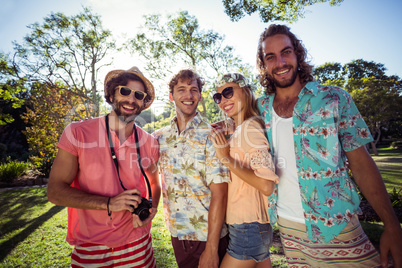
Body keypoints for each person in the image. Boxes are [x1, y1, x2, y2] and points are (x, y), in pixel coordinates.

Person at [256, 24, 402, 267]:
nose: (280, 62)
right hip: (288, 228)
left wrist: (391, 224)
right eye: (270, 57)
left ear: (298, 54)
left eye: (286, 52)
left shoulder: (334, 98)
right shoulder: (258, 109)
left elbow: (362, 164)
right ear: (264, 64)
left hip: (337, 226)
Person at [47, 66, 161, 267]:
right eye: (125, 91)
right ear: (111, 94)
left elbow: (155, 184)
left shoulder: (150, 142)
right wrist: (109, 203)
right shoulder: (77, 133)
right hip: (92, 246)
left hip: (139, 244)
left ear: (143, 103)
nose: (131, 99)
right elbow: (55, 192)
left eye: (139, 95)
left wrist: (151, 210)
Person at [152, 69, 230, 268]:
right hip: (177, 234)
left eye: (194, 90)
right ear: (171, 96)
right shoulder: (160, 137)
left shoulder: (211, 136)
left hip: (208, 236)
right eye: (181, 90)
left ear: (200, 95)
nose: (188, 95)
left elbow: (220, 194)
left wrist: (211, 249)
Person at [210, 73, 279, 268]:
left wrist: (226, 159)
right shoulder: (242, 128)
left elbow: (266, 185)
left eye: (228, 92)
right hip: (252, 227)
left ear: (246, 90)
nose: (223, 100)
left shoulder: (250, 128)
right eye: (218, 97)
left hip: (249, 228)